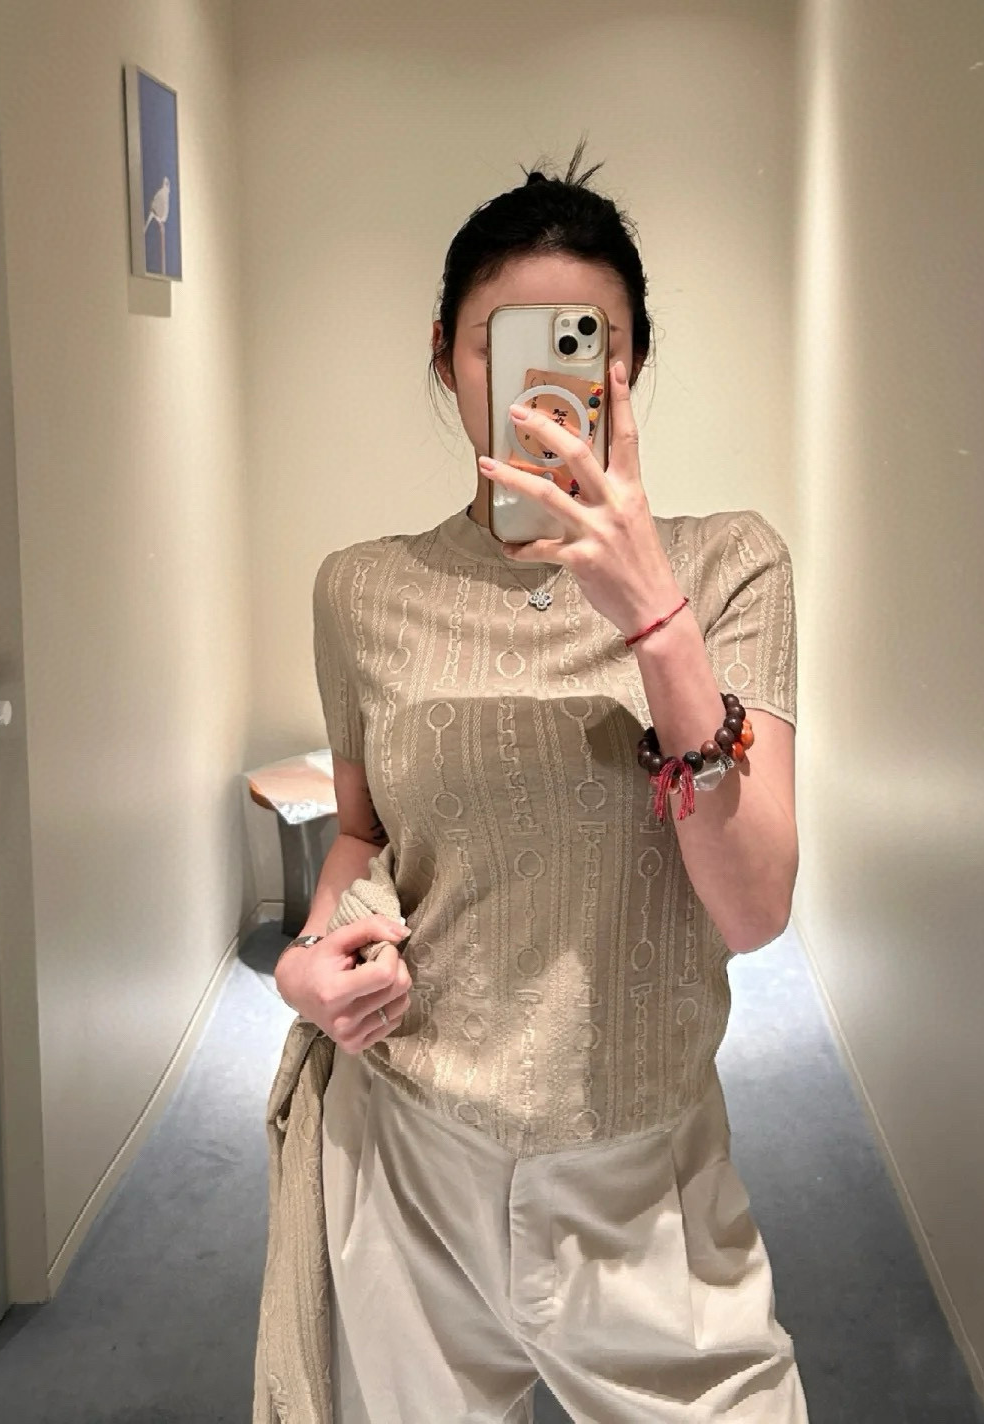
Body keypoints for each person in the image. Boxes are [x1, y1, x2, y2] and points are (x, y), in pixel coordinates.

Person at [270, 143, 808, 1424]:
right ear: (446, 360)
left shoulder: (730, 568)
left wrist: (655, 621)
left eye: (586, 347)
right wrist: (306, 967)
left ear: (632, 369)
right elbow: (360, 838)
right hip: (406, 1155)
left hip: (643, 1177)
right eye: (499, 347)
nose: (542, 389)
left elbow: (755, 909)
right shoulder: (361, 589)